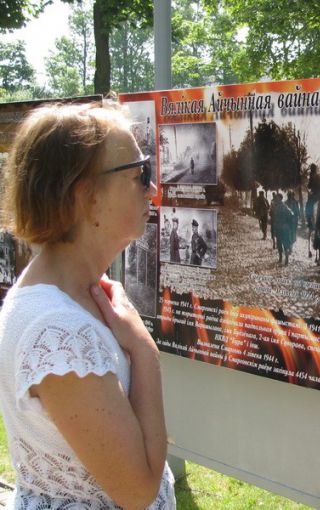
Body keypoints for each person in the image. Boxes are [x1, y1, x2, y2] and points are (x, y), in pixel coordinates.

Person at [0, 103, 175, 509]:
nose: (152, 189)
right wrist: (145, 352)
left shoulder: (67, 293)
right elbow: (137, 490)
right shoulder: (58, 331)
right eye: (140, 174)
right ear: (88, 197)